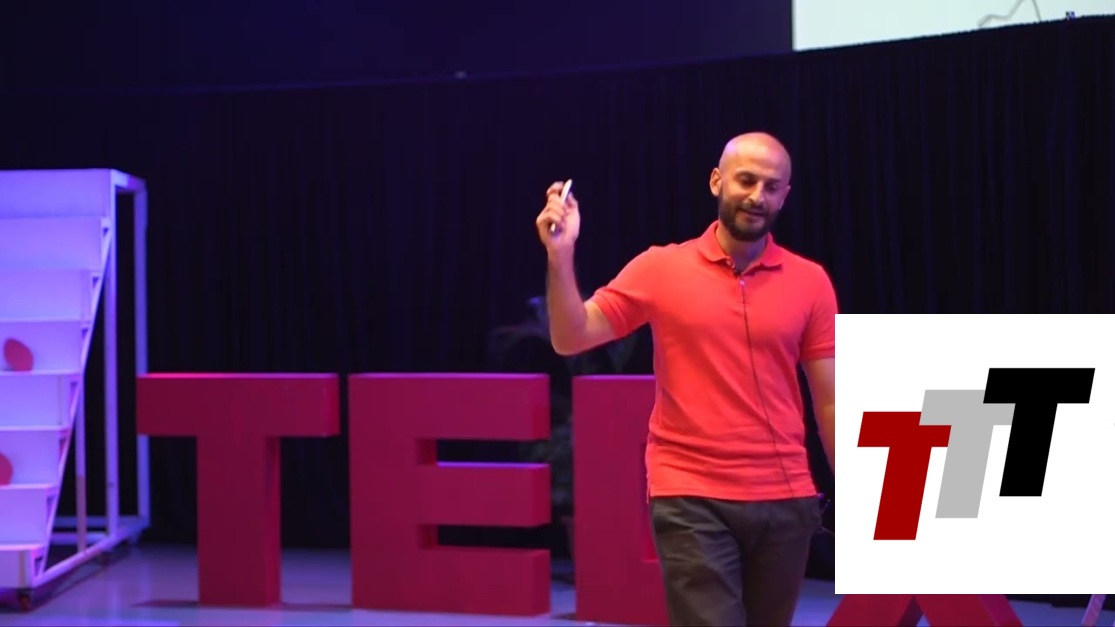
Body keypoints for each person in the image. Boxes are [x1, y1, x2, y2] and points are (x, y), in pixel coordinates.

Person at [534, 131, 837, 627]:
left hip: (785, 498)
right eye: (745, 180)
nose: (757, 196)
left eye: (771, 186)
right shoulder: (662, 268)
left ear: (785, 195)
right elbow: (571, 336)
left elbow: (830, 402)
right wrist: (560, 255)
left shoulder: (811, 281)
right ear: (717, 181)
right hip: (691, 495)